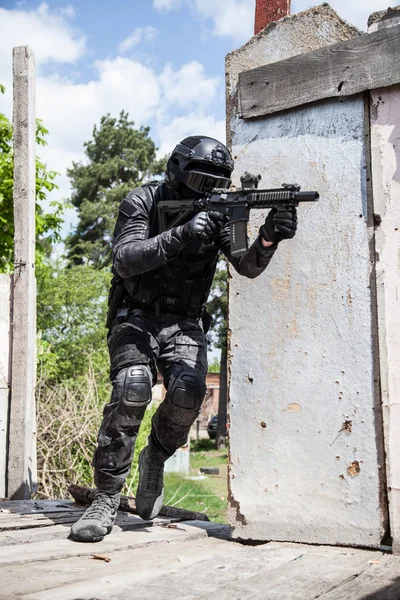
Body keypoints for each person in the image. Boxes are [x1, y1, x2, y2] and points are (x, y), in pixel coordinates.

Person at [70, 135, 297, 542]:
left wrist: (268, 238)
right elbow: (124, 259)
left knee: (190, 393)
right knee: (132, 388)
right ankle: (105, 497)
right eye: (197, 180)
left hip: (185, 320)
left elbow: (246, 266)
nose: (206, 191)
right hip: (134, 315)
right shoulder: (143, 200)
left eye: (215, 184)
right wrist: (181, 235)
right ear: (175, 173)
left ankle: (154, 456)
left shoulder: (226, 213)